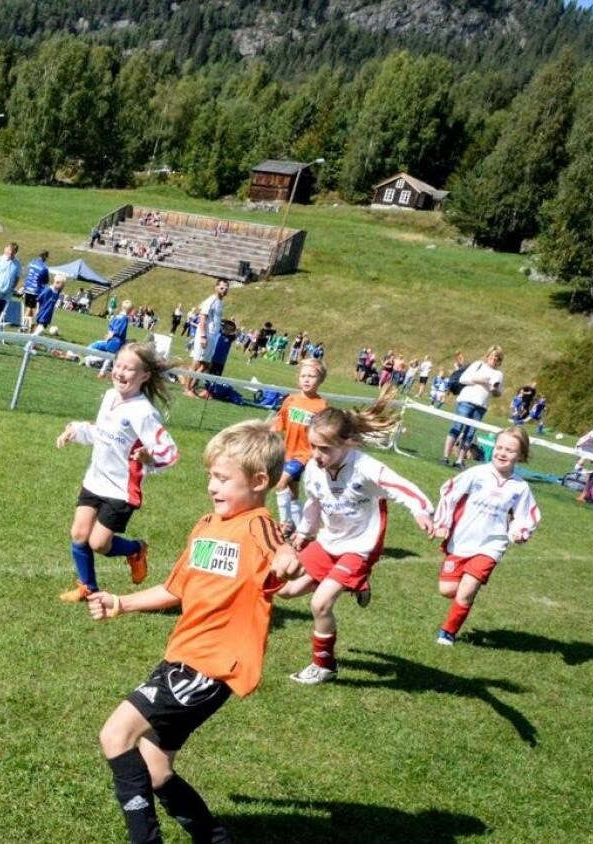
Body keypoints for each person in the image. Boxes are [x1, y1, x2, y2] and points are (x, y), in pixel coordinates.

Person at [88, 419, 301, 844]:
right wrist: (122, 602)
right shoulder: (206, 525)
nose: (212, 486)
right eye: (210, 476)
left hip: (211, 665)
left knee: (115, 735)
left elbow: (279, 548)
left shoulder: (256, 524)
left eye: (223, 478)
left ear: (259, 482)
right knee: (155, 769)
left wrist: (286, 558)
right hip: (183, 657)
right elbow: (174, 588)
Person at [279, 392, 434, 684]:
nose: (315, 454)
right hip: (329, 541)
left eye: (324, 448)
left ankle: (323, 666)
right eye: (312, 446)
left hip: (361, 546)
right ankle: (357, 583)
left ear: (346, 443)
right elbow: (313, 503)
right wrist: (302, 533)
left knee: (320, 603)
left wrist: (422, 510)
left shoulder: (365, 467)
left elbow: (402, 487)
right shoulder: (314, 468)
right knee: (286, 589)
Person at [55, 344, 180, 603]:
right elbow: (102, 432)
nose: (121, 372)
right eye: (119, 365)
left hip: (122, 489)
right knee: (79, 534)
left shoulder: (143, 412)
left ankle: (136, 549)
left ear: (144, 375)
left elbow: (168, 451)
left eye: (129, 369)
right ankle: (88, 587)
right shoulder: (111, 396)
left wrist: (149, 457)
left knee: (99, 544)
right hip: (95, 479)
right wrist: (75, 431)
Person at [430, 427, 540, 645]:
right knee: (447, 589)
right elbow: (449, 492)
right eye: (499, 447)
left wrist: (520, 532)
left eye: (509, 450)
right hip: (461, 541)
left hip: (491, 546)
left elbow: (527, 515)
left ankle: (448, 633)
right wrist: (442, 523)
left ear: (520, 455)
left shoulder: (520, 487)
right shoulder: (477, 473)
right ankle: (465, 594)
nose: (502, 453)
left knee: (466, 592)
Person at [271, 359, 329, 538]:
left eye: (312, 376)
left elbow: (324, 432)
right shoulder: (291, 399)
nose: (307, 379)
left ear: (320, 380)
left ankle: (285, 524)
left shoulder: (322, 406)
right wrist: (269, 435)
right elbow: (279, 422)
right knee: (293, 492)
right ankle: (300, 529)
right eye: (304, 375)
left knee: (280, 483)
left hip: (304, 454)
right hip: (287, 452)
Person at [443, 345, 505, 467]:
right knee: (457, 427)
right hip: (466, 401)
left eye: (497, 358)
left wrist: (494, 390)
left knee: (470, 433)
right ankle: (445, 456)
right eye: (492, 356)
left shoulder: (498, 374)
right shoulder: (478, 364)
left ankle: (460, 460)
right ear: (487, 356)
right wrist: (480, 380)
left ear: (499, 361)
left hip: (481, 406)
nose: (493, 359)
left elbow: (499, 393)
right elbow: (463, 379)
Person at [183, 280, 229, 397]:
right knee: (196, 363)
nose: (224, 290)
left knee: (206, 365)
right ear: (216, 287)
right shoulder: (211, 301)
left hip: (213, 336)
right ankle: (186, 389)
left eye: (226, 288)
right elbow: (203, 318)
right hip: (205, 335)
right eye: (222, 288)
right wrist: (203, 336)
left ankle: (192, 387)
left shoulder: (219, 302)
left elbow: (214, 319)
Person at [23, 250, 50, 325]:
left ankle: (29, 324)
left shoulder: (31, 263)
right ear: (45, 257)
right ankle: (24, 324)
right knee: (32, 308)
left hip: (27, 288)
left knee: (30, 307)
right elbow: (46, 280)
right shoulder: (44, 268)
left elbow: (26, 273)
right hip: (36, 290)